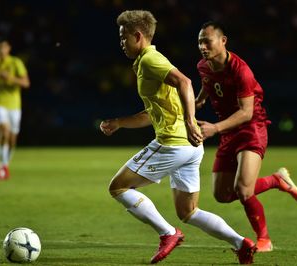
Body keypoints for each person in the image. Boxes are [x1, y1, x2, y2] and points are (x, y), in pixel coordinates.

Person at [100, 10, 256, 264]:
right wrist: (119, 123)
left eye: (123, 37)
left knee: (118, 186)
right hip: (191, 146)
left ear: (138, 36)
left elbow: (185, 82)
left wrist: (187, 121)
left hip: (173, 143)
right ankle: (242, 243)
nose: (121, 43)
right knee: (189, 211)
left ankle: (167, 234)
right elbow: (151, 114)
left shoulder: (151, 59)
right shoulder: (145, 62)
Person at [195, 21, 297, 252]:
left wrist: (214, 128)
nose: (203, 46)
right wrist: (200, 99)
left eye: (207, 41)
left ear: (223, 41)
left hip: (251, 127)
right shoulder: (203, 66)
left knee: (244, 190)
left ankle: (264, 239)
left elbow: (246, 112)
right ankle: (276, 180)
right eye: (200, 42)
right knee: (222, 195)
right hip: (227, 130)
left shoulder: (241, 70)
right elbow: (208, 81)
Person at [0, 37, 30, 180]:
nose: (1, 50)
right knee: (4, 131)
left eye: (3, 47)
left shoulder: (16, 63)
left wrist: (10, 77)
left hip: (14, 105)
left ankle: (5, 163)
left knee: (13, 139)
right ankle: (3, 166)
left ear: (8, 48)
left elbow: (26, 83)